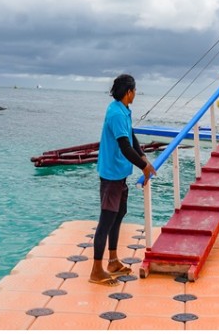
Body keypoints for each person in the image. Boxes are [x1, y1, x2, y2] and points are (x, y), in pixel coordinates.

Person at [92, 74, 156, 285]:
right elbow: (124, 146)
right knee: (106, 220)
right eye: (135, 90)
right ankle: (96, 270)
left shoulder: (122, 110)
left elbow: (131, 136)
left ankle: (113, 261)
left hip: (120, 173)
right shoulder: (116, 114)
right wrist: (144, 166)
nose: (135, 94)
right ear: (129, 92)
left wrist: (143, 155)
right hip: (111, 174)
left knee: (119, 214)